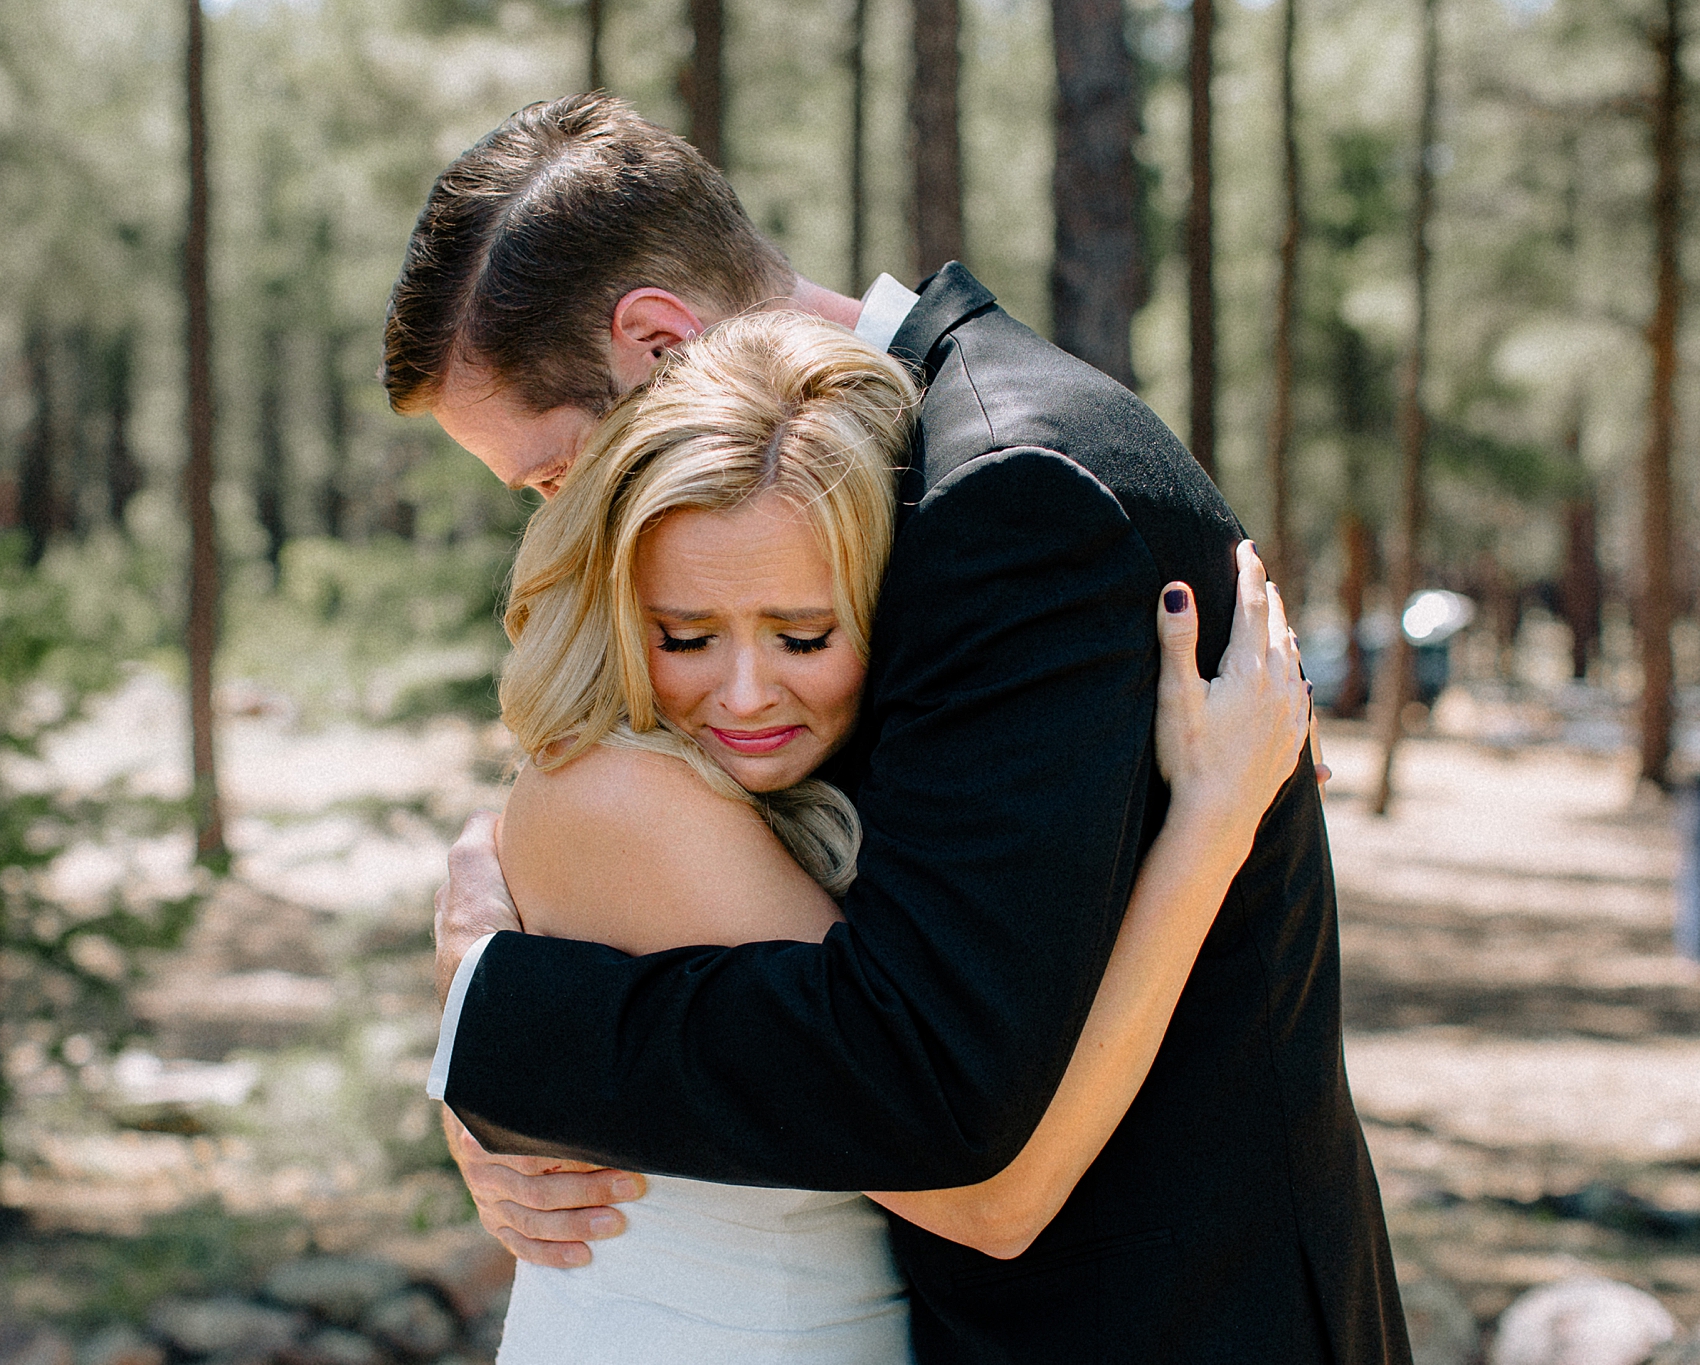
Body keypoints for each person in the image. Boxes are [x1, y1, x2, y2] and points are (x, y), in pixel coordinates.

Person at [384, 93, 1411, 1362]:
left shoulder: (1000, 496)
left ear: (658, 349)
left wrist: (506, 1020)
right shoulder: (879, 477)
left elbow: (928, 1088)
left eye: (550, 477)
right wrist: (495, 932)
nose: (558, 525)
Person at [484, 310, 1312, 1362]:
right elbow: (991, 1199)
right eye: (683, 636)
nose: (743, 693)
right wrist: (1208, 824)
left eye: (802, 635)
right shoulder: (635, 802)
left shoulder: (781, 792)